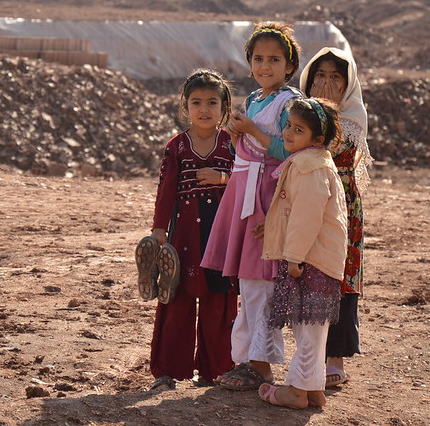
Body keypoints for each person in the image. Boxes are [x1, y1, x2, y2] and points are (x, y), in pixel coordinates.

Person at [201, 22, 303, 390]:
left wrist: (252, 132)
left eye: (274, 59)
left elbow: (288, 150)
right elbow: (246, 152)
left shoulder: (290, 102)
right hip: (244, 192)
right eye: (258, 58)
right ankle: (247, 360)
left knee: (261, 282)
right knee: (248, 282)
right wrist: (236, 136)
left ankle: (260, 364)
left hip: (265, 197)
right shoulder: (255, 100)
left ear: (289, 66)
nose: (265, 66)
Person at [136, 69, 238, 391]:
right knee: (176, 299)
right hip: (183, 238)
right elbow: (166, 190)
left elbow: (249, 183)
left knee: (219, 302)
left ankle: (216, 371)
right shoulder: (177, 147)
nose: (204, 109)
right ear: (185, 106)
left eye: (212, 102)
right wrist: (158, 229)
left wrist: (222, 178)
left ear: (224, 106)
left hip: (222, 236)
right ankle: (167, 372)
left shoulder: (234, 144)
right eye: (196, 102)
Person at [257, 97, 348, 409]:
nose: (288, 133)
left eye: (298, 129)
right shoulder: (314, 162)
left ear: (317, 139)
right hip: (317, 256)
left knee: (308, 325)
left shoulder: (309, 168)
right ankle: (312, 387)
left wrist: (294, 255)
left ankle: (297, 390)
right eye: (287, 126)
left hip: (310, 258)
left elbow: (306, 216)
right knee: (311, 322)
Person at [299, 47, 373, 388]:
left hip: (341, 207)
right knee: (305, 272)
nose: (326, 82)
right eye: (319, 76)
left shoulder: (351, 118)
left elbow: (329, 151)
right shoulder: (298, 114)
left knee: (340, 276)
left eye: (335, 77)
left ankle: (336, 356)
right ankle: (308, 357)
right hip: (303, 201)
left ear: (348, 84)